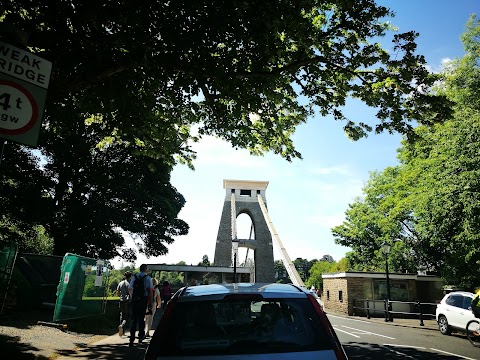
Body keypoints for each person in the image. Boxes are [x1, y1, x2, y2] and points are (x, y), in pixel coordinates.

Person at [128, 264, 153, 347]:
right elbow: (150, 291)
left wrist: (132, 297)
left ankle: (131, 338)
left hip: (135, 300)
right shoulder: (148, 278)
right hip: (143, 300)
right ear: (145, 269)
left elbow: (130, 288)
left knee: (133, 319)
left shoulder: (134, 277)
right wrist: (151, 303)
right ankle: (140, 337)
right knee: (141, 319)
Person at [116, 271, 132, 337]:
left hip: (121, 300)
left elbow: (117, 293)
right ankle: (122, 326)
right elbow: (130, 293)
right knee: (127, 315)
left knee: (121, 315)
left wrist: (121, 295)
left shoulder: (120, 283)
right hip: (127, 301)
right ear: (130, 277)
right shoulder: (129, 284)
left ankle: (122, 330)